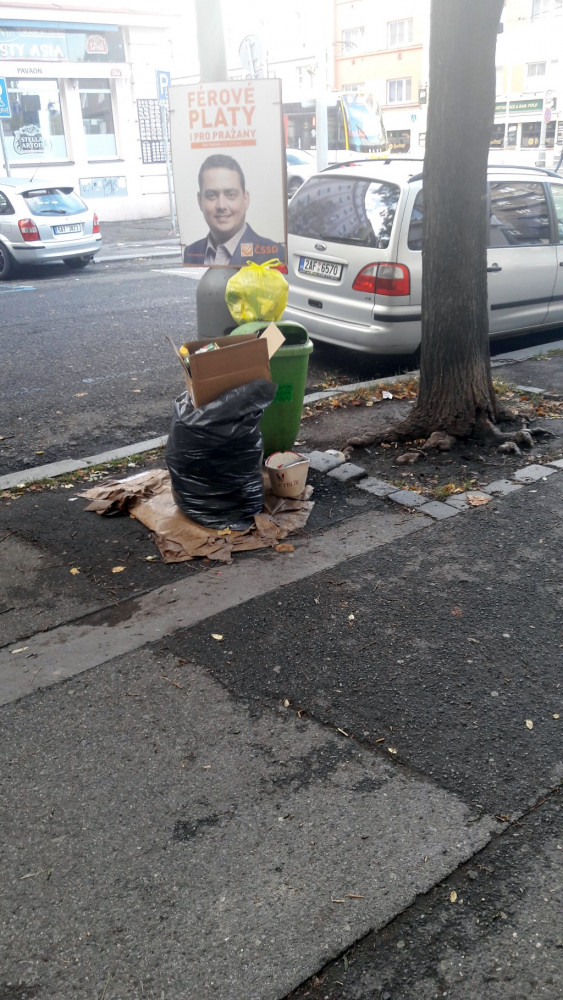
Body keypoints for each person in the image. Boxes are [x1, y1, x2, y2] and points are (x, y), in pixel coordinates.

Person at [183, 153, 285, 266]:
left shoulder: (275, 255)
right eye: (211, 195)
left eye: (230, 194)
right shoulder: (190, 253)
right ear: (200, 201)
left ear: (245, 199)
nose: (221, 206)